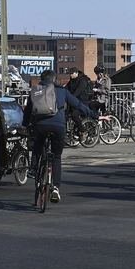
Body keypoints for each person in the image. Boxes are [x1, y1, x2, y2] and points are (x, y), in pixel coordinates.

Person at [22, 69, 108, 202]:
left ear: (42, 79)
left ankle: (33, 169)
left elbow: (28, 111)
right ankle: (56, 187)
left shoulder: (35, 90)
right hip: (58, 126)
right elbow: (79, 105)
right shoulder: (62, 91)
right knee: (56, 157)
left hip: (41, 126)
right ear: (54, 80)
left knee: (39, 143)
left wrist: (25, 125)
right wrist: (97, 116)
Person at [65, 67, 94, 142]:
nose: (71, 75)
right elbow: (65, 88)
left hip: (83, 103)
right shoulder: (72, 81)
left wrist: (70, 98)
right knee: (66, 114)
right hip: (75, 102)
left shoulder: (82, 81)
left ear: (77, 73)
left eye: (72, 73)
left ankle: (83, 130)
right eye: (70, 74)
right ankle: (72, 132)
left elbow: (78, 91)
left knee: (74, 114)